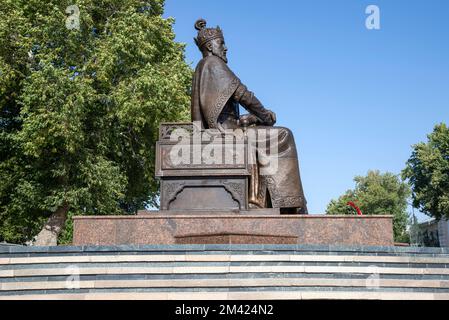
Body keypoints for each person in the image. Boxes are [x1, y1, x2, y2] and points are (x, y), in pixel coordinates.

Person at [191, 19, 308, 214]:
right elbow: (244, 95)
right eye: (222, 43)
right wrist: (265, 116)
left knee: (264, 133)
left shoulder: (203, 66)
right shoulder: (213, 63)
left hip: (227, 130)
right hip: (224, 134)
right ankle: (285, 202)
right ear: (211, 46)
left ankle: (271, 200)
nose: (226, 48)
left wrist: (251, 119)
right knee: (283, 135)